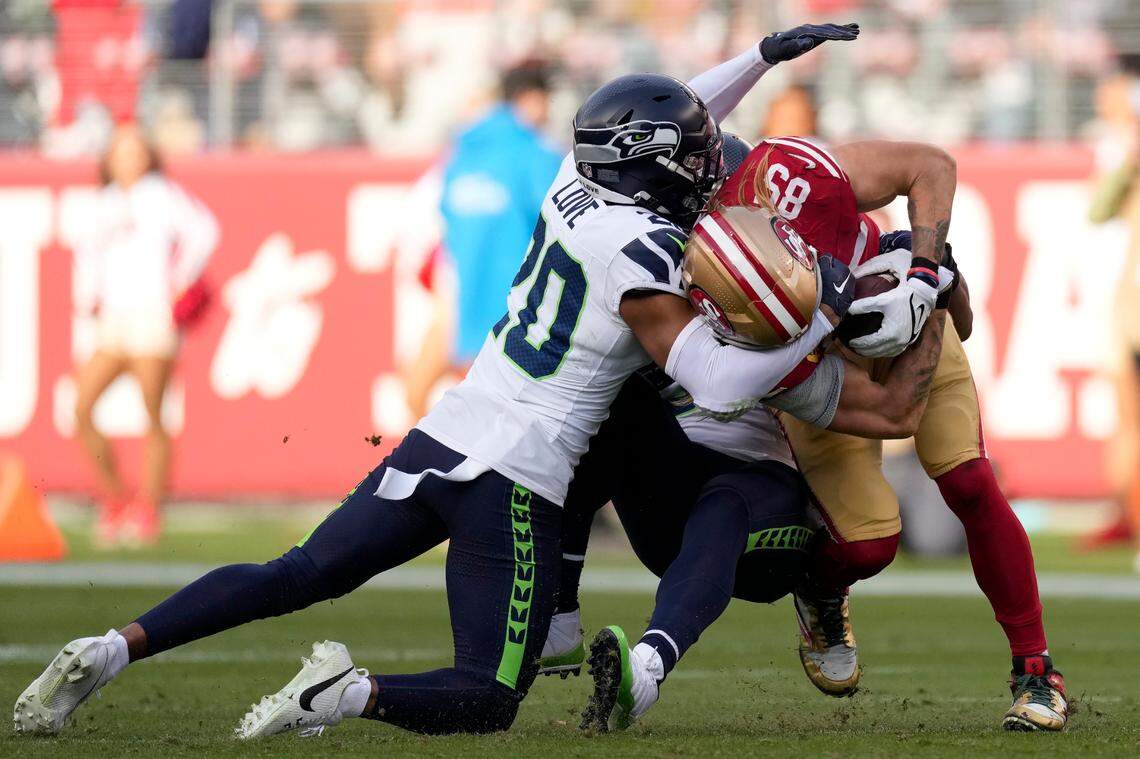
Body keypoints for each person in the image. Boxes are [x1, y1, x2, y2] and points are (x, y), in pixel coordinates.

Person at [12, 22, 860, 739]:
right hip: (518, 478)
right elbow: (713, 380)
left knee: (298, 570)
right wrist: (823, 317)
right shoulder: (647, 256)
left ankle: (113, 645)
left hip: (446, 431)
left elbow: (681, 109)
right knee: (489, 695)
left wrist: (756, 58)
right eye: (695, 155)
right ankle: (346, 692)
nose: (712, 160)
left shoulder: (574, 179)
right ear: (652, 164)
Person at [548, 134, 1069, 733]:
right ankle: (822, 591)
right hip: (829, 370)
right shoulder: (756, 331)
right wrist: (821, 324)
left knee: (972, 482)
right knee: (866, 545)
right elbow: (891, 415)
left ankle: (1035, 670)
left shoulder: (789, 174)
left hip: (910, 320)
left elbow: (933, 171)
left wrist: (930, 282)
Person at [71, 124, 218, 548]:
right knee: (82, 407)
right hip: (113, 322)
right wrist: (89, 302)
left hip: (153, 318)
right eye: (121, 152)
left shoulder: (160, 194)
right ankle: (115, 498)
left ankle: (149, 507)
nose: (128, 159)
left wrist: (180, 279)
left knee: (153, 412)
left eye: (135, 151)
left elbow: (204, 231)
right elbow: (87, 259)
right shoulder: (103, 202)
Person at [404, 61, 563, 419]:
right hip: (516, 313)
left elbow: (443, 222)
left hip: (458, 301)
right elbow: (559, 227)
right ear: (532, 98)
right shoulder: (537, 154)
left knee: (417, 397)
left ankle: (417, 470)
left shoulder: (462, 152)